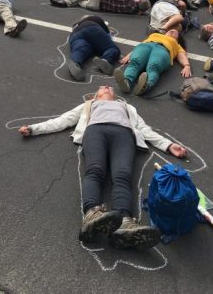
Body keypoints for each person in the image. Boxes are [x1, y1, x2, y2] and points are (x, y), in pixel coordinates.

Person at [19, 85, 187, 249]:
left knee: (122, 176)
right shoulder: (89, 104)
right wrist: (34, 129)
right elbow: (64, 120)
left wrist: (168, 145)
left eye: (109, 87)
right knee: (95, 171)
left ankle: (125, 223)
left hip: (123, 135)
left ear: (115, 96)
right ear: (96, 95)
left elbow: (144, 129)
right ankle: (92, 215)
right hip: (95, 132)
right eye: (102, 87)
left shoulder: (127, 107)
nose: (106, 86)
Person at [114, 29, 191, 95]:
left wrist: (186, 65)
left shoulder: (176, 45)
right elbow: (142, 43)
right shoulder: (155, 35)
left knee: (154, 66)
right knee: (135, 62)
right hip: (146, 45)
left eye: (175, 32)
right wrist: (130, 54)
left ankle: (146, 86)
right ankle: (126, 82)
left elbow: (182, 55)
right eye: (171, 30)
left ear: (178, 39)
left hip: (163, 49)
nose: (173, 31)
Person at [66, 15, 121, 81]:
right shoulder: (94, 18)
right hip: (92, 28)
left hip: (75, 35)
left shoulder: (76, 26)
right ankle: (105, 60)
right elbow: (107, 34)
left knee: (81, 49)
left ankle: (75, 61)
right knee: (112, 48)